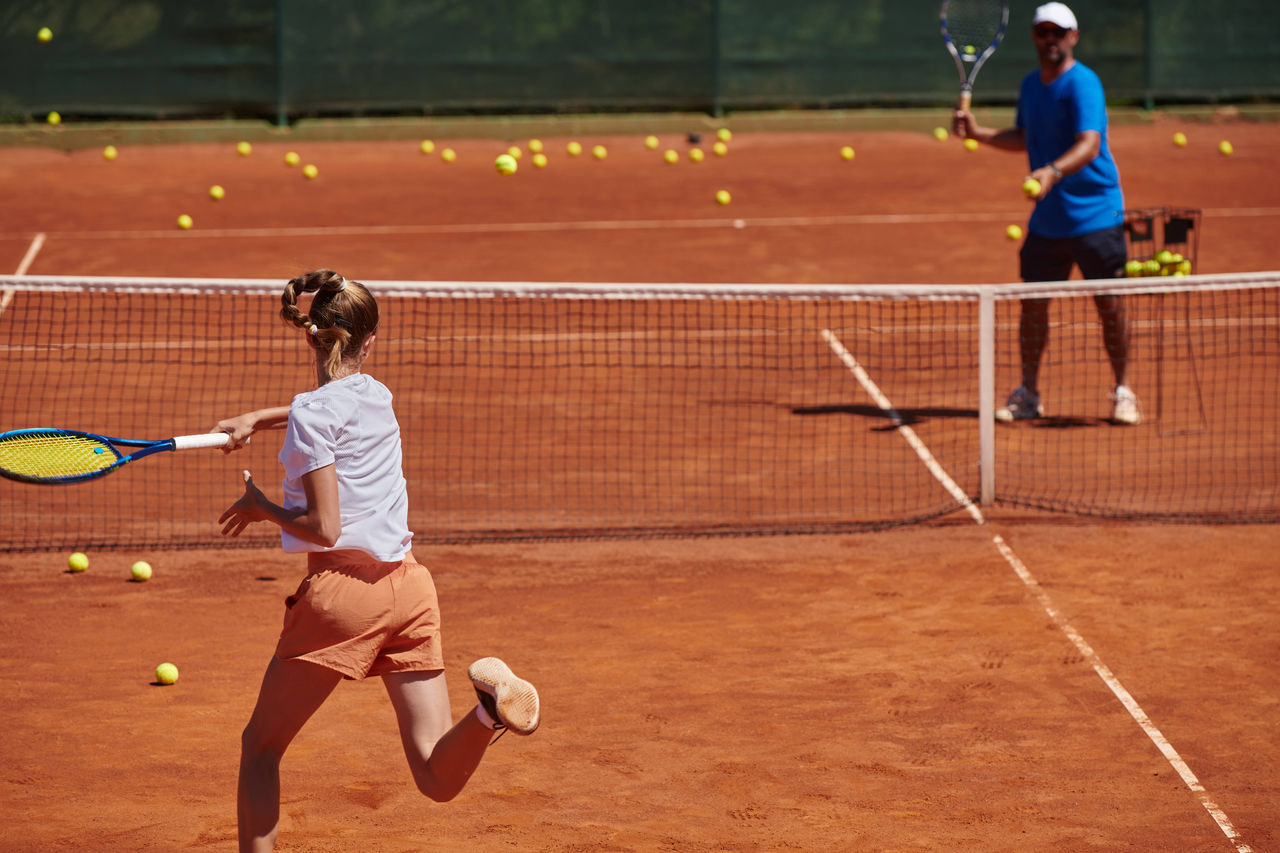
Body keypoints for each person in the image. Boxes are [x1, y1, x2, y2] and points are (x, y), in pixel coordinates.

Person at [213, 269, 540, 852]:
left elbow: (325, 528)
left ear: (310, 337)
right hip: (411, 590)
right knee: (435, 777)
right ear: (368, 343)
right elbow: (325, 410)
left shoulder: (312, 415)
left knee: (260, 749)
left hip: (343, 598)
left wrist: (263, 508)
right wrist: (258, 419)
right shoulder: (378, 393)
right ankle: (489, 713)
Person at [953, 1, 1141, 425]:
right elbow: (1025, 136)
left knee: (1110, 305)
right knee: (1033, 306)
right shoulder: (1030, 85)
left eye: (1058, 32)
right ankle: (1029, 393)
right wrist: (979, 133)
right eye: (1043, 32)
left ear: (1073, 36)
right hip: (1048, 219)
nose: (1050, 39)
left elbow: (1089, 144)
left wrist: (1052, 171)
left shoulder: (1083, 83)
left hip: (1096, 215)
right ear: (1035, 37)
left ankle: (1124, 391)